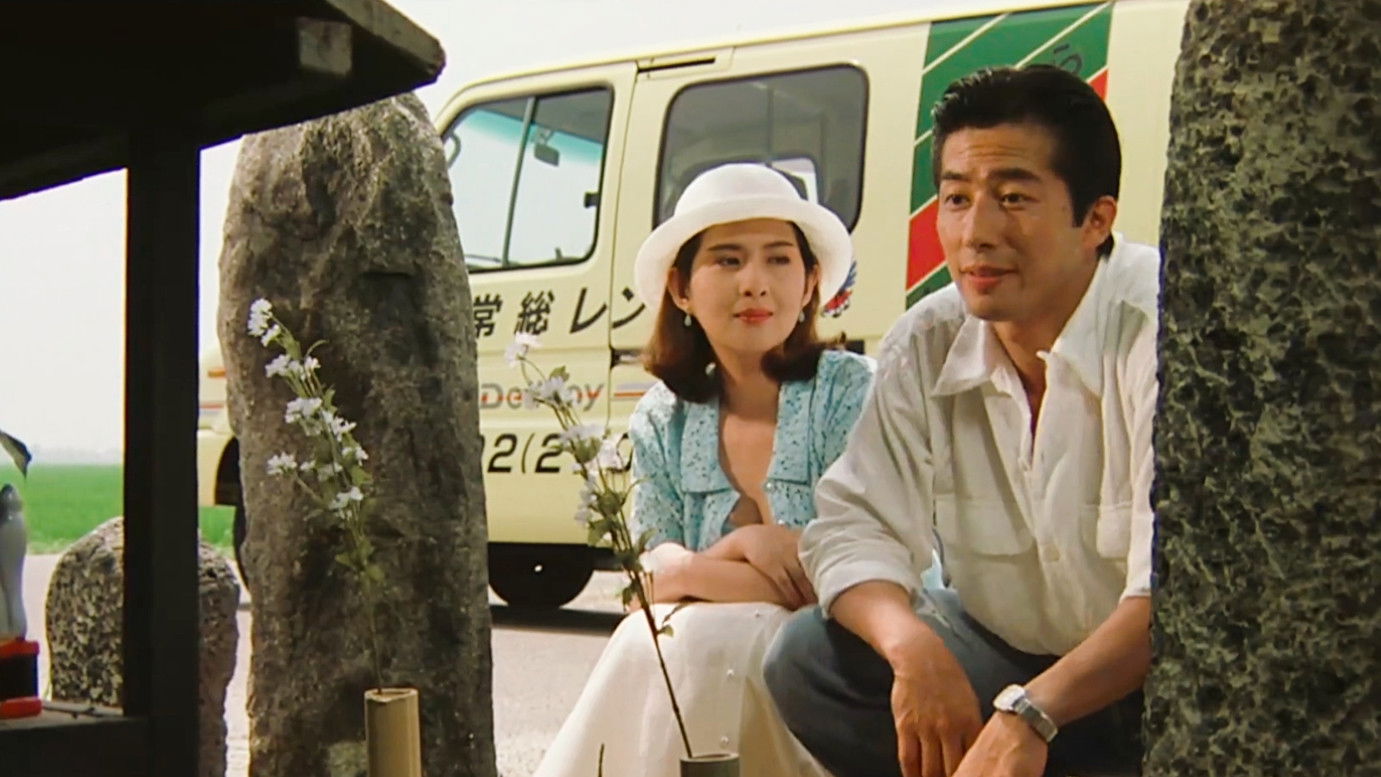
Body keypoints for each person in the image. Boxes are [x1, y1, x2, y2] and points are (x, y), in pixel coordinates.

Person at [763, 65, 1159, 777]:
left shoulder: (1156, 328)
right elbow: (853, 526)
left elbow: (1176, 587)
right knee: (809, 658)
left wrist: (1032, 712)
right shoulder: (928, 339)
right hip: (1012, 661)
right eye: (956, 199)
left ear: (1096, 219)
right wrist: (910, 648)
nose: (976, 233)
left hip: (1161, 678)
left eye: (1013, 197)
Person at [532, 162, 875, 777]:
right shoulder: (662, 417)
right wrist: (746, 544)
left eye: (778, 259)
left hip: (839, 665)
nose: (754, 283)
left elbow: (839, 579)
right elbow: (643, 584)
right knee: (650, 637)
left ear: (810, 283)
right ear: (681, 287)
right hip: (710, 669)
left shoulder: (850, 393)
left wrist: (689, 571)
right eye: (726, 260)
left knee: (711, 634)